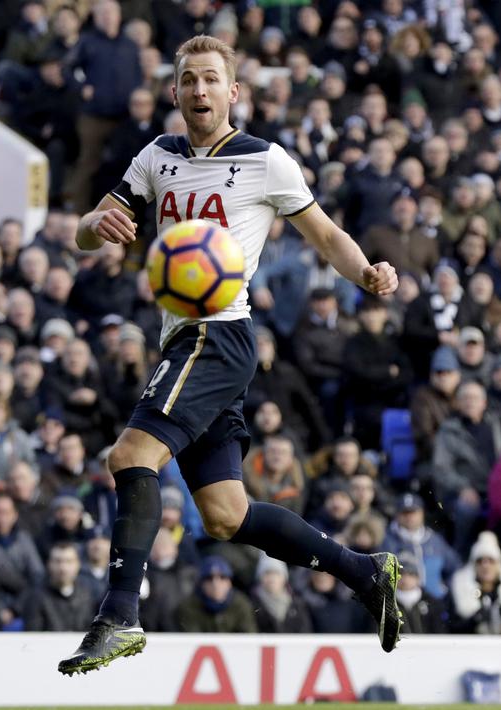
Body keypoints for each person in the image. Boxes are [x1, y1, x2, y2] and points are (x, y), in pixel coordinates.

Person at [58, 35, 401, 677]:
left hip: (216, 334)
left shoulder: (266, 161)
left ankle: (120, 613)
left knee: (131, 455)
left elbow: (326, 235)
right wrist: (93, 227)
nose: (199, 91)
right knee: (225, 515)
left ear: (233, 91)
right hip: (183, 339)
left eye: (211, 80)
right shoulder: (156, 157)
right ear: (175, 91)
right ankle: (365, 573)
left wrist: (369, 275)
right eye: (188, 80)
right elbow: (87, 230)